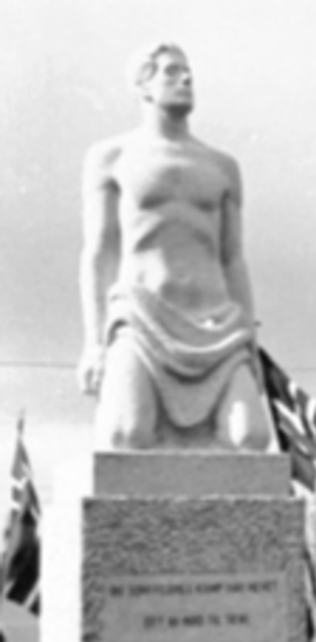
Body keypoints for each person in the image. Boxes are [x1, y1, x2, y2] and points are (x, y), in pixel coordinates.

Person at [78, 43, 270, 451]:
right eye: (171, 72)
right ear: (143, 86)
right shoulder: (111, 157)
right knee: (125, 435)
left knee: (249, 437)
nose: (186, 79)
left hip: (216, 326)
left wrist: (249, 341)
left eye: (188, 73)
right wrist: (94, 344)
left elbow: (233, 258)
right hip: (142, 318)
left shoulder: (222, 166)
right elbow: (99, 252)